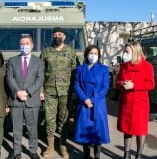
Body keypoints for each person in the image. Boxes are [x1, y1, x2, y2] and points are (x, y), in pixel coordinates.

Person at [40, 27, 77, 159]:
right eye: (55, 34)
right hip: (49, 91)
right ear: (52, 37)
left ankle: (63, 145)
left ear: (64, 37)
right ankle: (49, 146)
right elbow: (40, 73)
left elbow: (75, 73)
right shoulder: (46, 52)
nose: (57, 36)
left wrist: (74, 91)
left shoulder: (71, 52)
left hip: (66, 92)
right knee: (49, 119)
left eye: (60, 34)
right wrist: (40, 90)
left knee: (64, 119)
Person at [6, 34, 44, 159]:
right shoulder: (12, 61)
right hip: (16, 100)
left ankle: (33, 151)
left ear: (32, 45)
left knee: (32, 128)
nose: (25, 46)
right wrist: (17, 92)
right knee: (16, 128)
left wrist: (27, 92)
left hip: (31, 100)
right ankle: (16, 151)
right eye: (22, 44)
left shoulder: (39, 62)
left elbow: (39, 80)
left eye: (27, 43)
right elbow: (9, 78)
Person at [116, 42, 155, 159]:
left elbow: (151, 84)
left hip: (140, 104)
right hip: (126, 103)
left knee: (140, 131)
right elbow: (117, 82)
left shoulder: (147, 66)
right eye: (124, 51)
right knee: (127, 130)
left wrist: (134, 85)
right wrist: (122, 84)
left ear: (135, 52)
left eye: (127, 52)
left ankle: (139, 155)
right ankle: (126, 154)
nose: (124, 54)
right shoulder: (123, 66)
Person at [74, 45, 110, 159]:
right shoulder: (80, 68)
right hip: (84, 102)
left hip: (98, 104)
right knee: (85, 129)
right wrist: (85, 99)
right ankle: (86, 154)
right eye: (91, 53)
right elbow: (77, 85)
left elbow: (105, 88)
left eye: (95, 53)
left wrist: (93, 100)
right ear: (86, 54)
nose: (93, 55)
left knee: (98, 129)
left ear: (98, 55)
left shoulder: (104, 69)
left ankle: (97, 155)